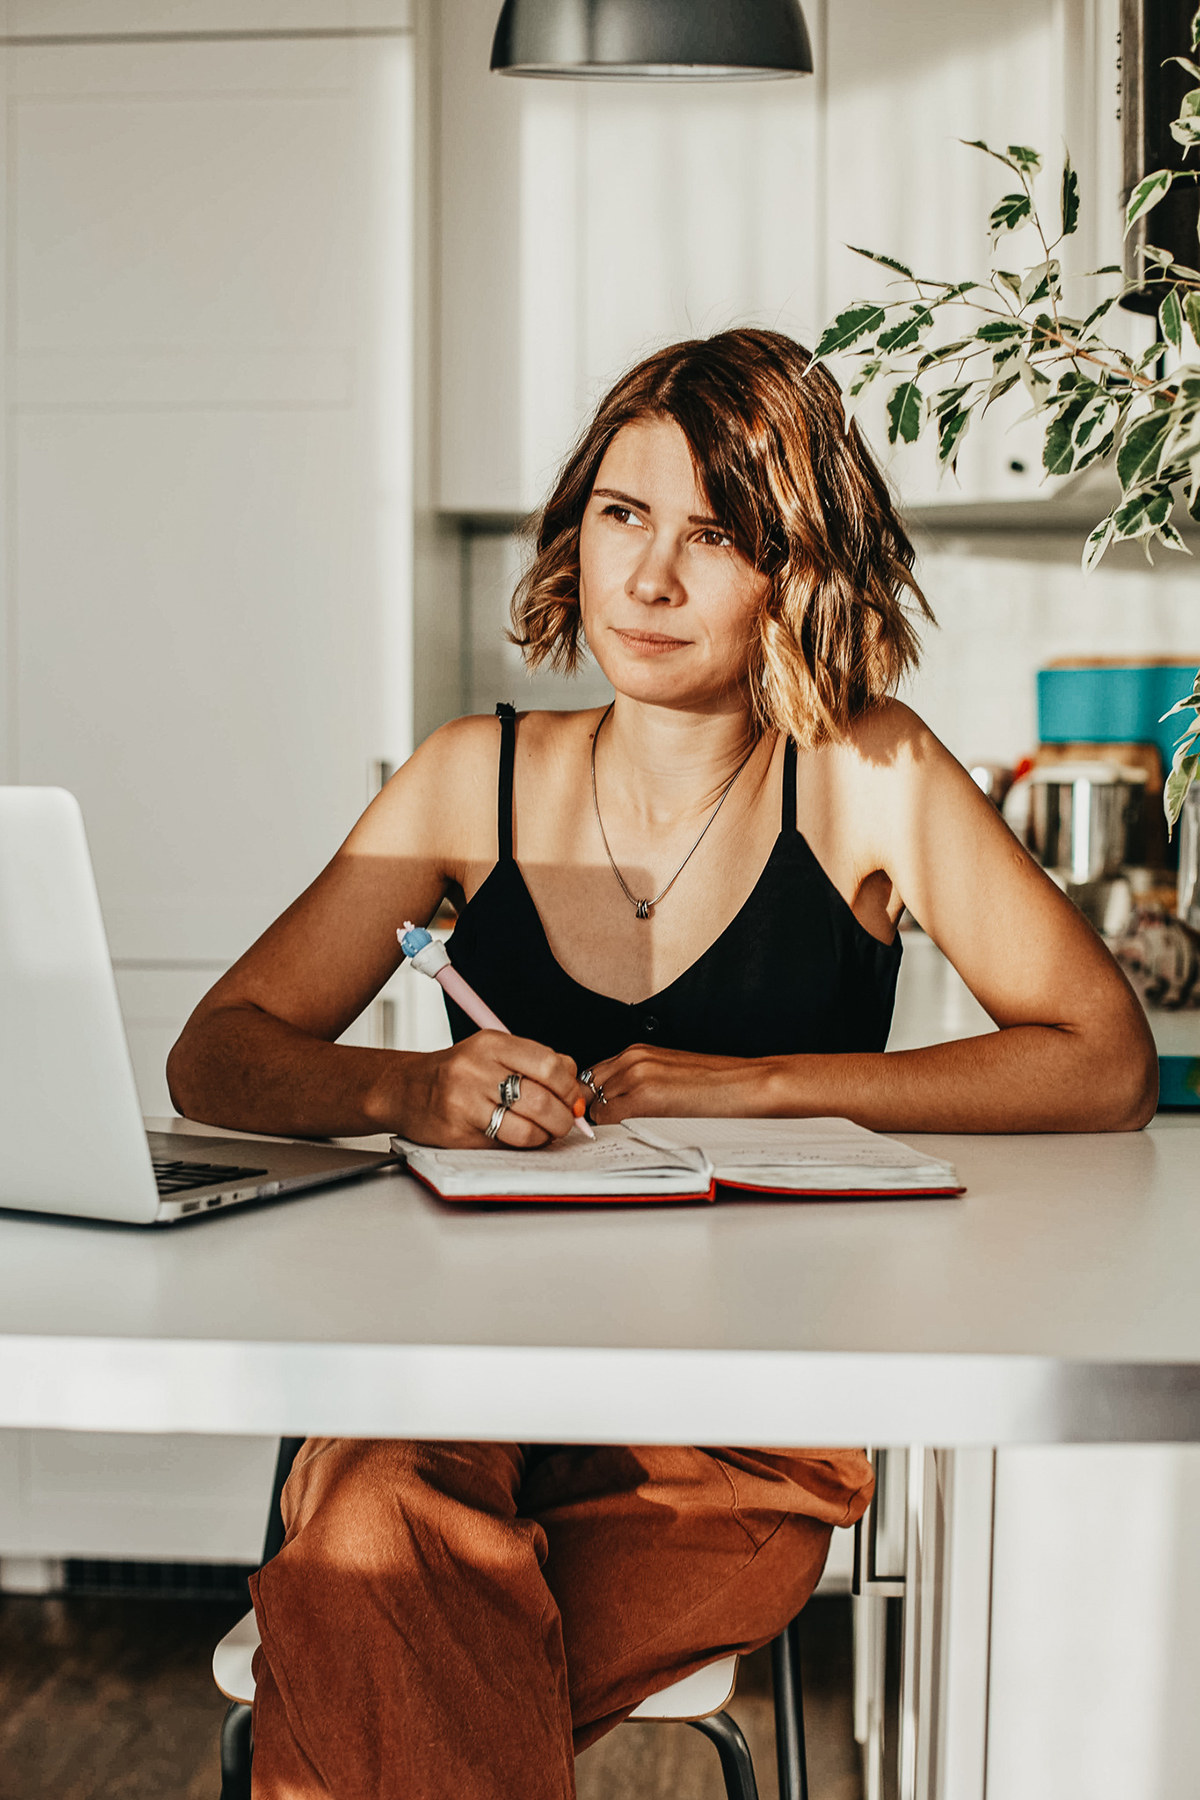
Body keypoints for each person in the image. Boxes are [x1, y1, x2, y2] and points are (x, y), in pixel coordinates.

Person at [168, 328, 1156, 1798]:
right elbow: (219, 1055)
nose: (647, 580)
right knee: (378, 1535)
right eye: (623, 516)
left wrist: (759, 1084)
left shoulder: (866, 774)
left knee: (362, 1619)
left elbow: (1100, 1060)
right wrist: (408, 1088)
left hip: (739, 1431)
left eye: (714, 536)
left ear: (795, 572)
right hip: (452, 1383)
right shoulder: (469, 777)